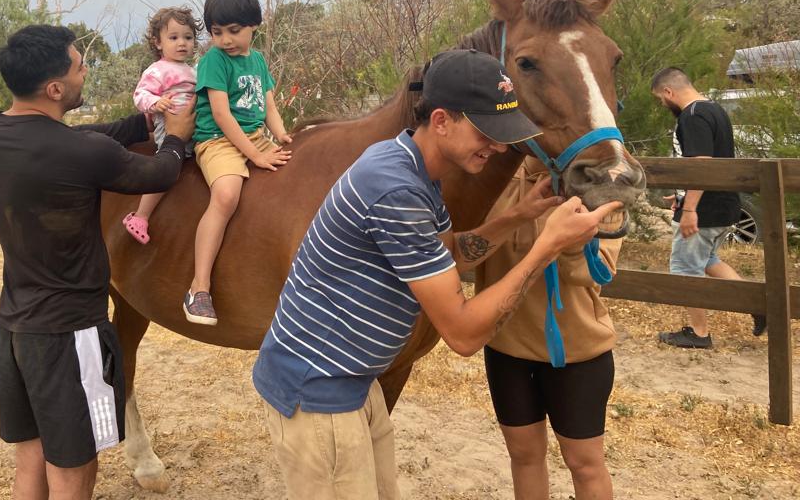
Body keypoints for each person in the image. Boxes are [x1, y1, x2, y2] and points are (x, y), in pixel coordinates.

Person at [252, 49, 623, 500]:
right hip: (317, 392)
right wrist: (546, 247)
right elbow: (464, 336)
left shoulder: (411, 167)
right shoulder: (396, 190)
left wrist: (517, 216)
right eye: (487, 132)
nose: (500, 147)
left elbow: (451, 254)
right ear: (442, 120)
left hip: (352, 383)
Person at [0, 24, 194, 500]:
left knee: (30, 458)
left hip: (13, 328)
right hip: (70, 334)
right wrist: (174, 136)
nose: (85, 71)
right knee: (75, 468)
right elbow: (160, 171)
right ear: (55, 89)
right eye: (79, 67)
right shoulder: (80, 152)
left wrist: (145, 119)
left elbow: (86, 137)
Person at [476, 158, 622, 500]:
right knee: (523, 455)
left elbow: (595, 271)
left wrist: (567, 240)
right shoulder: (492, 168)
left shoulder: (602, 180)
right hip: (506, 344)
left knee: (584, 463)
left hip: (577, 348)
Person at [185, 0, 292, 325]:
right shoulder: (214, 60)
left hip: (255, 136)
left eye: (234, 31)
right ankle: (199, 287)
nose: (225, 40)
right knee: (227, 195)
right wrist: (256, 155)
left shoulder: (258, 61)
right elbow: (221, 114)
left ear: (254, 26)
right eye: (217, 32)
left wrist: (284, 137)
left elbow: (270, 106)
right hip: (218, 140)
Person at [650, 66, 764, 348]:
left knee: (685, 268)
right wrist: (681, 196)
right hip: (723, 203)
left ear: (668, 91)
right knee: (709, 260)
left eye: (660, 99)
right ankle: (759, 305)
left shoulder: (692, 116)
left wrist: (690, 210)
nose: (662, 104)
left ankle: (699, 334)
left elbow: (701, 166)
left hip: (704, 211)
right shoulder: (715, 110)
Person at [122, 6, 202, 244]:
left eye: (188, 37)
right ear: (158, 43)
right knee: (167, 172)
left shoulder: (193, 71)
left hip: (193, 128)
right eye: (174, 37)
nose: (182, 43)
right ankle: (140, 216)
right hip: (170, 131)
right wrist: (156, 102)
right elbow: (140, 95)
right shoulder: (157, 70)